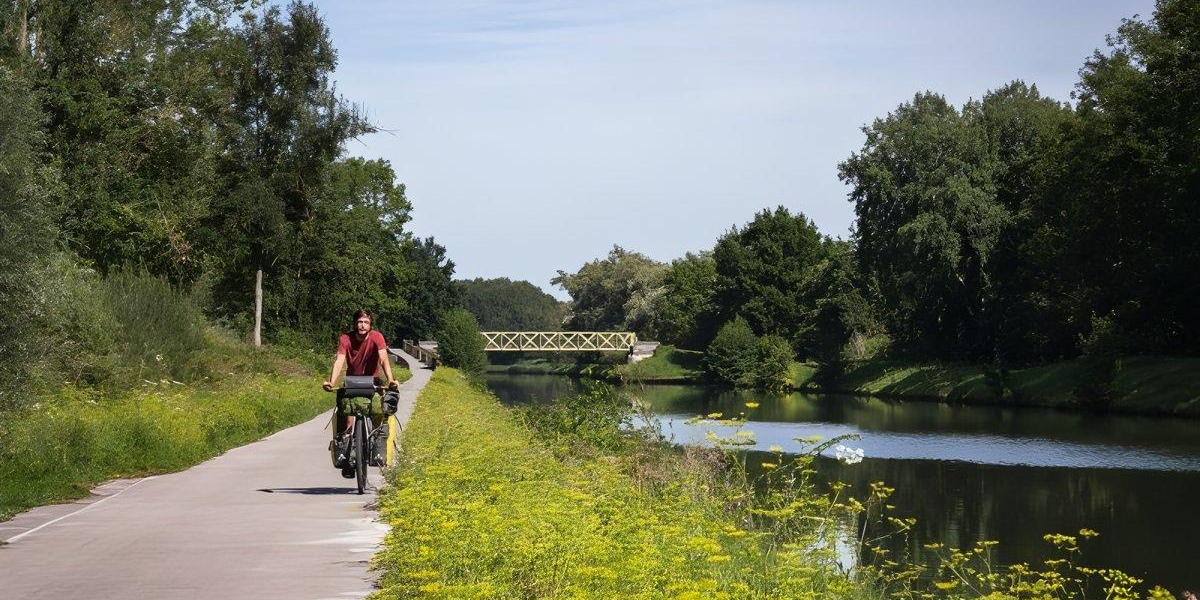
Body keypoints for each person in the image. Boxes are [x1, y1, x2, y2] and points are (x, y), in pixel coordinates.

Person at [323, 310, 398, 476]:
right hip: (352, 382)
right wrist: (332, 382)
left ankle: (377, 444)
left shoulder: (377, 337)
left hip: (373, 381)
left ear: (370, 325)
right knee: (348, 418)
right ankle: (349, 458)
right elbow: (340, 360)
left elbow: (384, 358)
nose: (362, 325)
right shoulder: (345, 338)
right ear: (354, 323)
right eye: (359, 322)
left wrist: (391, 380)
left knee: (378, 413)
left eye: (366, 322)